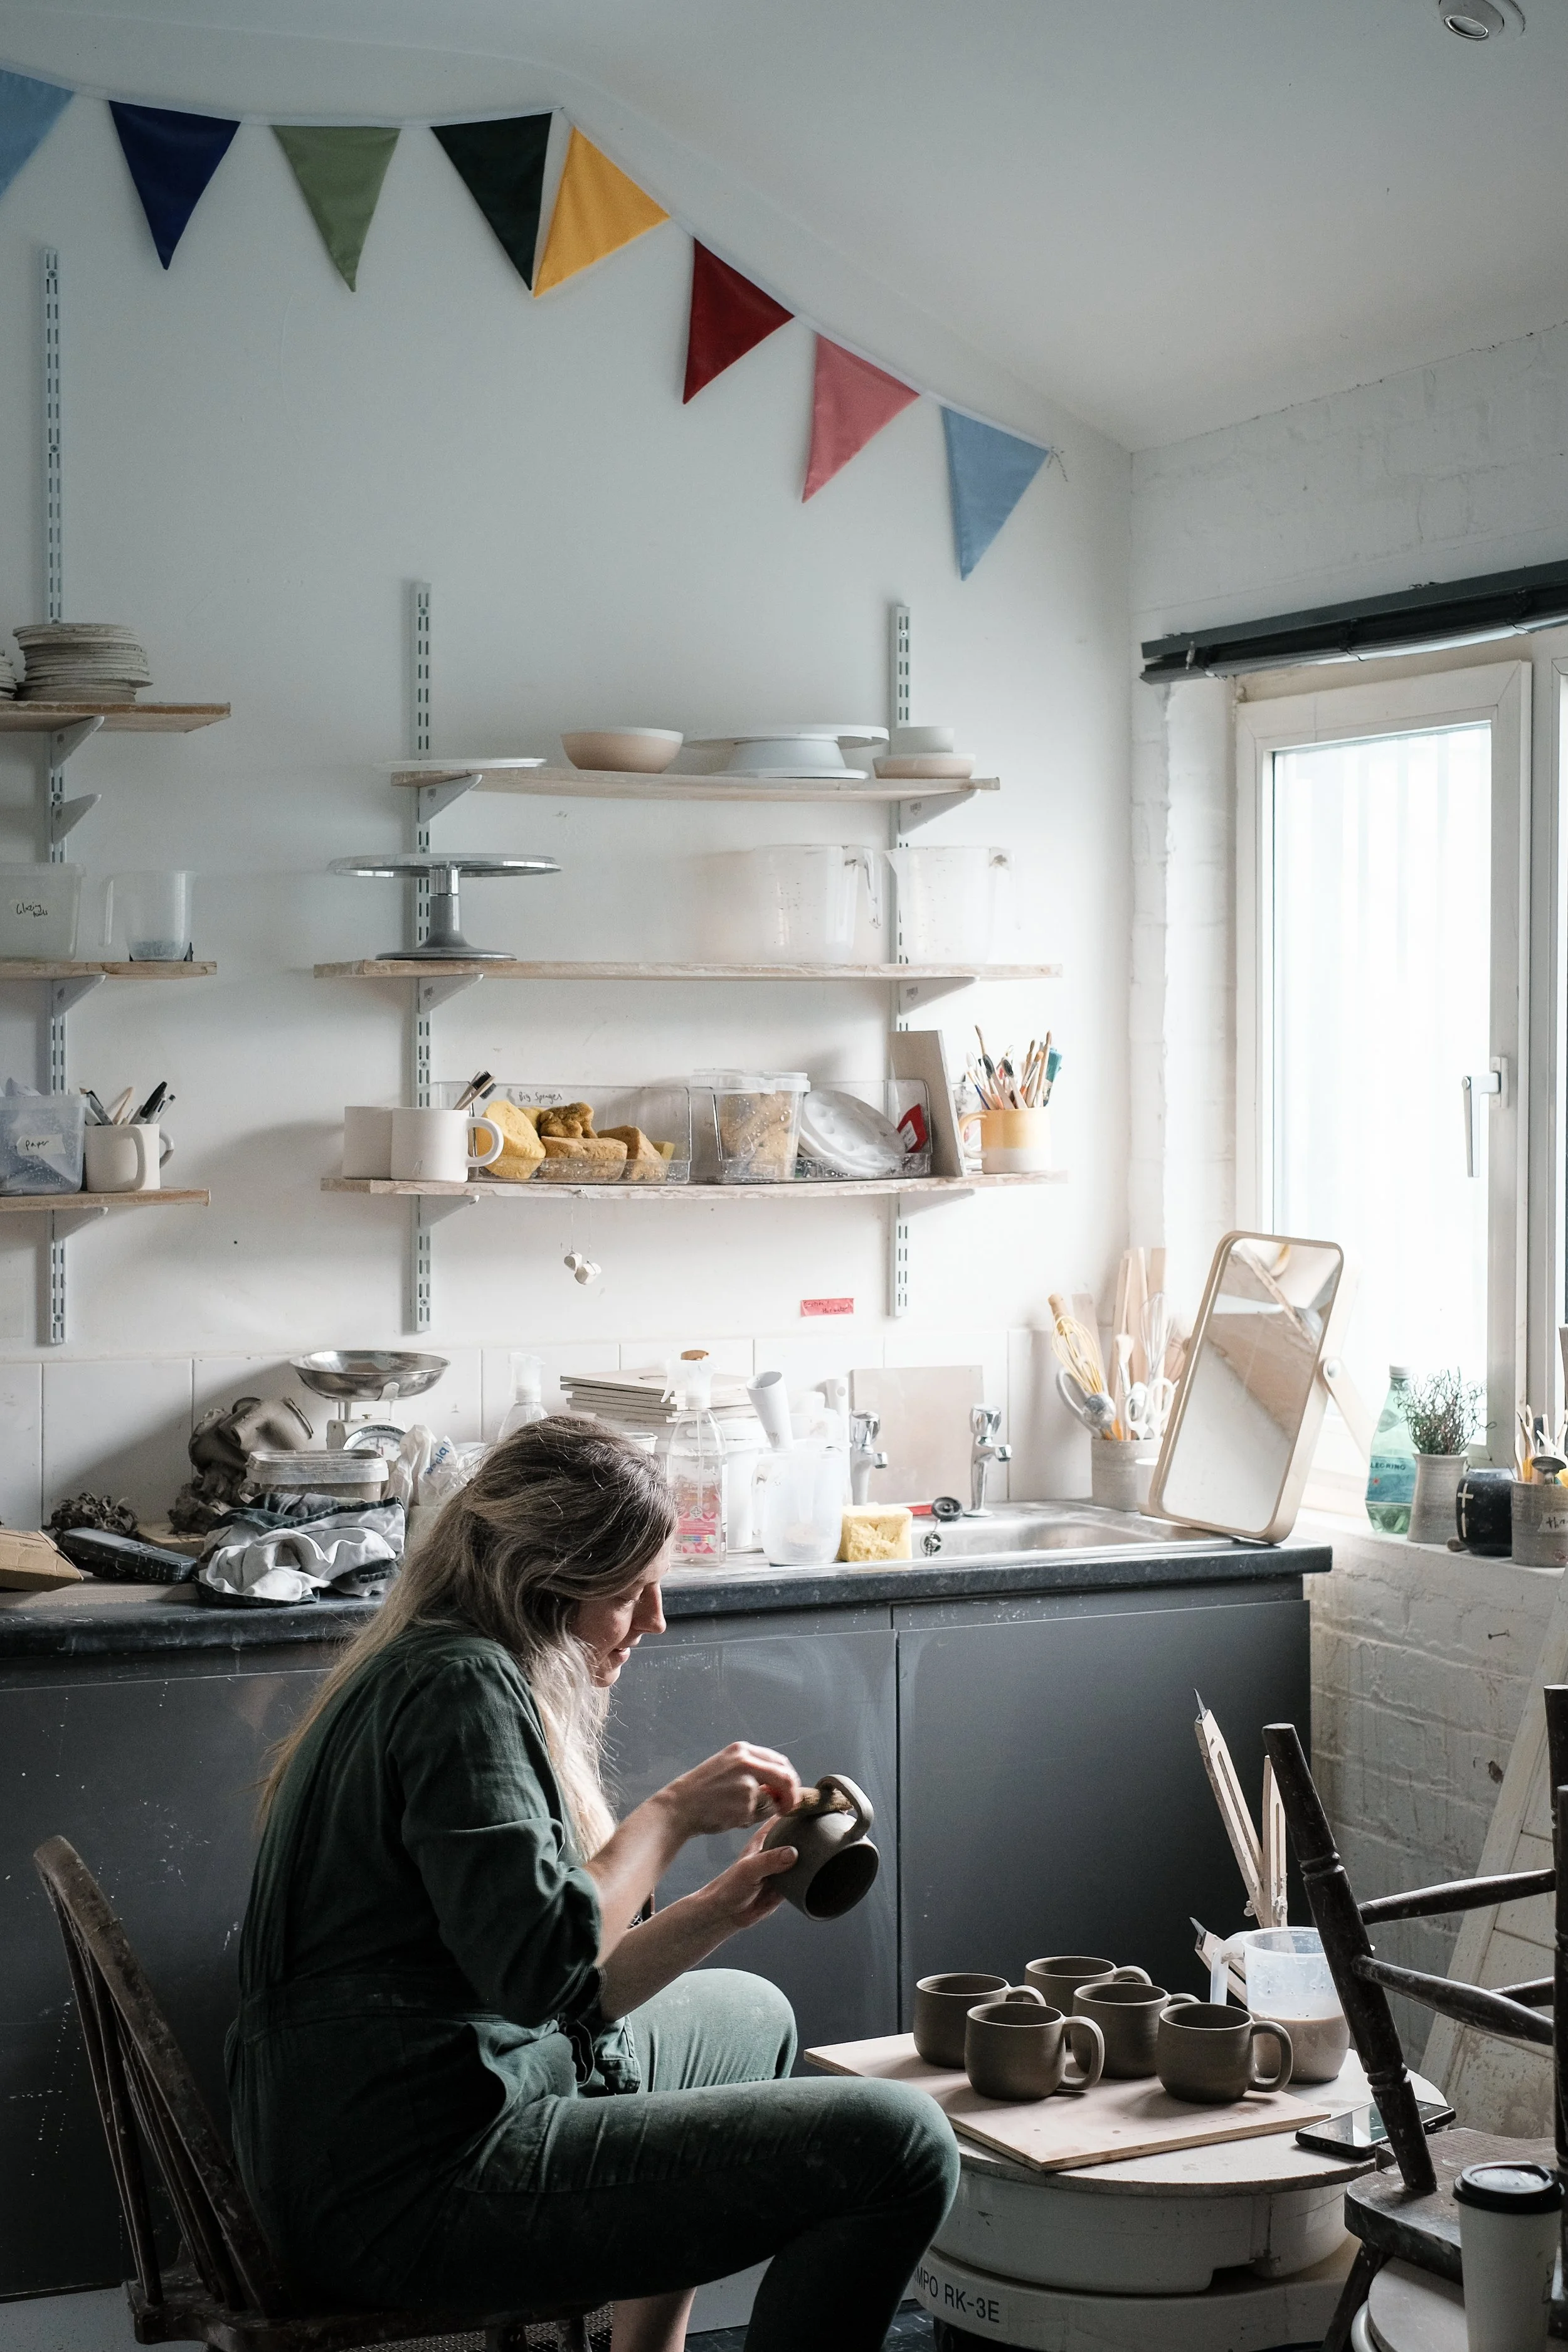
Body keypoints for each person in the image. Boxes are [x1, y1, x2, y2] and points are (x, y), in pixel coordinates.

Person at [227, 1415, 957, 2352]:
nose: (655, 1620)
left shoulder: (450, 1660)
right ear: (544, 1583)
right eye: (632, 1591)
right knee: (903, 2143)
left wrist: (718, 1909)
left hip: (397, 2111)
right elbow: (542, 1971)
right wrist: (672, 1814)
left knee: (755, 2014)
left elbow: (552, 1987)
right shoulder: (460, 1688)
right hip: (405, 2182)